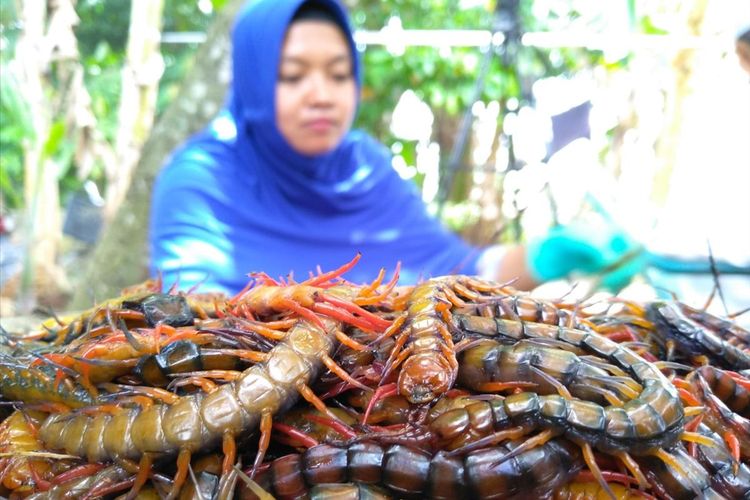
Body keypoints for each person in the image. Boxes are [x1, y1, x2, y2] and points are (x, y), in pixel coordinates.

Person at [149, 0, 640, 295]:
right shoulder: (200, 179)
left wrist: (546, 255)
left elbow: (459, 271)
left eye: (339, 75)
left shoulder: (364, 166)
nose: (322, 94)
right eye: (292, 75)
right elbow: (189, 314)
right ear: (254, 82)